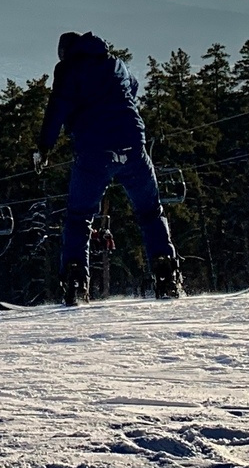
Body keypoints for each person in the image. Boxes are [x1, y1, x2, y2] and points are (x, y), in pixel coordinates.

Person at [34, 32, 183, 303]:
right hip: (132, 146)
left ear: (65, 53)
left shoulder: (68, 70)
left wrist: (44, 147)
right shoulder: (115, 63)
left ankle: (76, 278)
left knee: (79, 217)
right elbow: (133, 88)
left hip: (94, 152)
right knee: (150, 211)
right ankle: (165, 271)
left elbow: (57, 108)